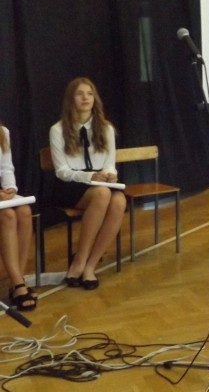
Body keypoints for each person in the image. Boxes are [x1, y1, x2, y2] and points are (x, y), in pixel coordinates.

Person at [49, 77, 126, 290]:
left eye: (90, 94)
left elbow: (109, 164)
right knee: (102, 194)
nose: (85, 98)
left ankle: (90, 266)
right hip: (70, 184)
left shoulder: (106, 128)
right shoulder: (58, 130)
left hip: (100, 183)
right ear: (70, 99)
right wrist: (90, 177)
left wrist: (109, 175)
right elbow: (62, 171)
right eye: (80, 94)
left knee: (119, 201)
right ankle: (79, 260)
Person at [0, 122, 36, 311]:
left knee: (24, 211)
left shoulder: (2, 132)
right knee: (7, 215)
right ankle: (18, 283)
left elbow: (6, 169)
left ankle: (17, 281)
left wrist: (10, 189)